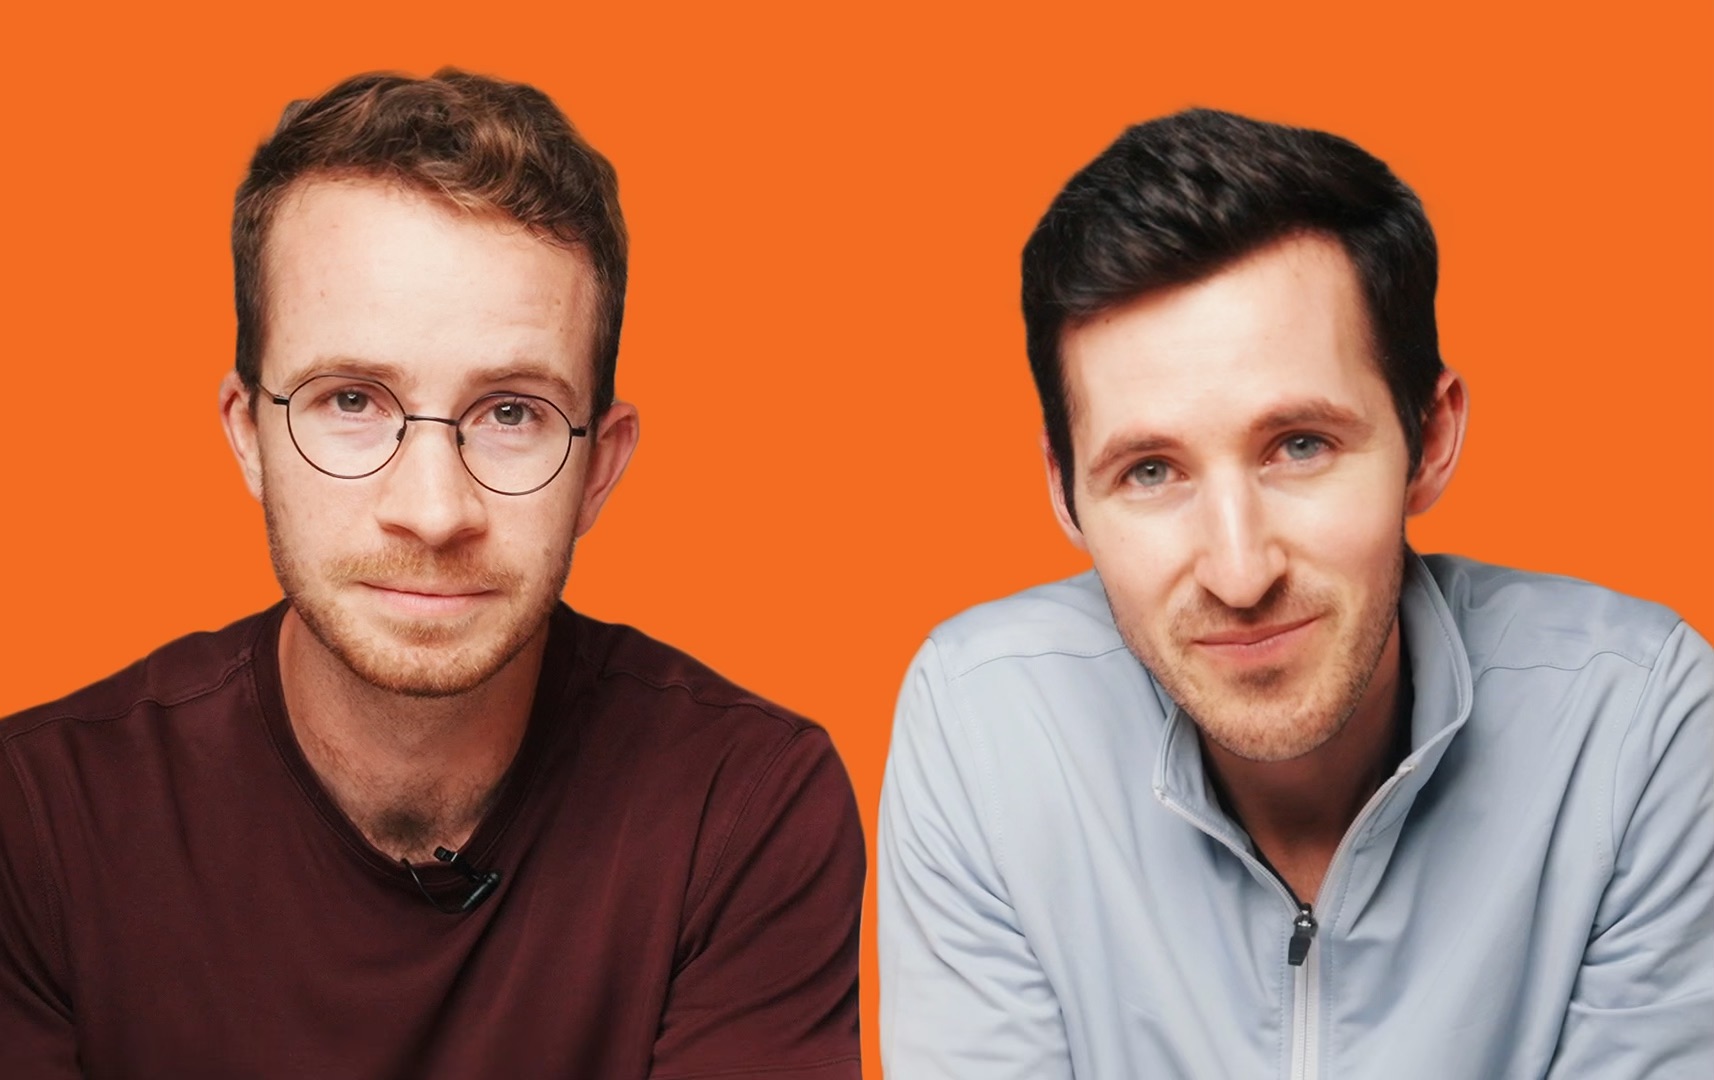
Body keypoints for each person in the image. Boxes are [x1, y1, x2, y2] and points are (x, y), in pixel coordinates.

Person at [0, 69, 863, 1079]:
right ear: (249, 436)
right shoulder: (37, 820)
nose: (434, 510)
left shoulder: (745, 804)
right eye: (352, 400)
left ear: (599, 466)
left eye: (510, 413)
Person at [878, 108, 1712, 1078]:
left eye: (1300, 447)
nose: (1239, 573)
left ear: (1429, 440)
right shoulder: (985, 724)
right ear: (1065, 492)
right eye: (1149, 471)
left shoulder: (1634, 721)